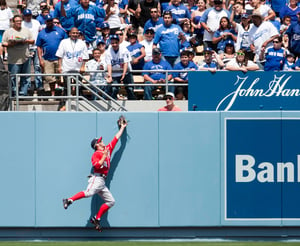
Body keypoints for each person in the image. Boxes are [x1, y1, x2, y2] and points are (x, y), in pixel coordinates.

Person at [63, 116, 128, 232]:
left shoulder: (107, 149)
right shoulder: (97, 154)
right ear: (97, 145)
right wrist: (104, 156)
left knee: (111, 201)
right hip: (97, 178)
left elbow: (116, 138)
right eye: (100, 141)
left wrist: (122, 127)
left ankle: (96, 219)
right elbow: (97, 166)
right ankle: (69, 200)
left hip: (102, 182)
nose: (103, 142)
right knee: (88, 193)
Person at [2, 15, 35, 96]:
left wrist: (26, 41)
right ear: (13, 22)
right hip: (13, 59)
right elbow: (3, 43)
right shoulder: (8, 32)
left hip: (25, 57)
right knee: (13, 77)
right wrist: (11, 43)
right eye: (17, 21)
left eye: (20, 21)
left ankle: (23, 93)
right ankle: (14, 93)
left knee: (25, 77)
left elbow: (32, 40)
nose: (19, 23)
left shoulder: (26, 31)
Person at [36, 14, 68, 97]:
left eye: (51, 21)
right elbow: (39, 47)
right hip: (47, 58)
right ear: (45, 22)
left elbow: (66, 43)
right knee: (50, 78)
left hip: (60, 59)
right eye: (48, 21)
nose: (49, 22)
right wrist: (40, 59)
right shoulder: (42, 33)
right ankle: (52, 94)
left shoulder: (60, 31)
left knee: (61, 78)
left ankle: (63, 93)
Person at [56, 27, 89, 94]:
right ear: (70, 33)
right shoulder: (64, 42)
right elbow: (60, 56)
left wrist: (83, 66)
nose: (75, 34)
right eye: (73, 33)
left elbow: (85, 57)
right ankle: (65, 102)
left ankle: (79, 103)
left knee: (78, 87)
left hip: (78, 69)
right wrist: (59, 66)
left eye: (77, 33)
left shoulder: (82, 43)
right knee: (66, 87)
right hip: (67, 68)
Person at [105, 34, 136, 100]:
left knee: (130, 89)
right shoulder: (108, 52)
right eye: (113, 43)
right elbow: (109, 65)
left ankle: (132, 102)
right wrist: (109, 75)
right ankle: (114, 103)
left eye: (116, 42)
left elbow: (125, 63)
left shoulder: (124, 50)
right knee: (114, 89)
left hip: (126, 72)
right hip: (114, 73)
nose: (114, 44)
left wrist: (124, 74)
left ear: (119, 42)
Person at [22, 9, 43, 93]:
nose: (28, 17)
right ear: (24, 16)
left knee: (37, 66)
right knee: (27, 68)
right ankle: (27, 86)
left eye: (29, 15)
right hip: (26, 48)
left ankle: (39, 85)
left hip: (36, 47)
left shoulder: (36, 22)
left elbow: (40, 32)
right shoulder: (22, 24)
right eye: (26, 15)